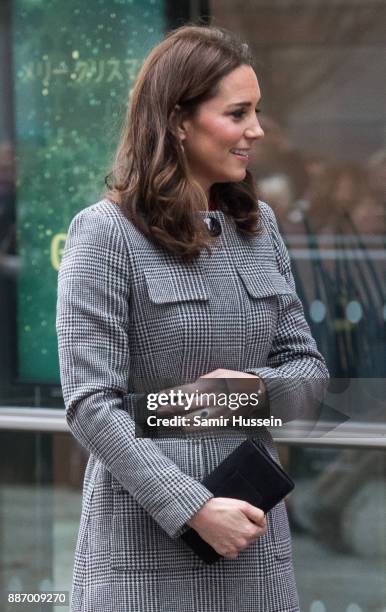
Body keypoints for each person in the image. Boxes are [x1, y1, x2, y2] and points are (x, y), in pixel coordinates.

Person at [56, 24, 329, 612]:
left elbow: (308, 374)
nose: (256, 130)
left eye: (257, 112)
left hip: (255, 548)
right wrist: (195, 507)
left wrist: (245, 392)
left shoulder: (257, 228)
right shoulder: (105, 234)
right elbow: (89, 405)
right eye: (238, 113)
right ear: (178, 120)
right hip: (146, 553)